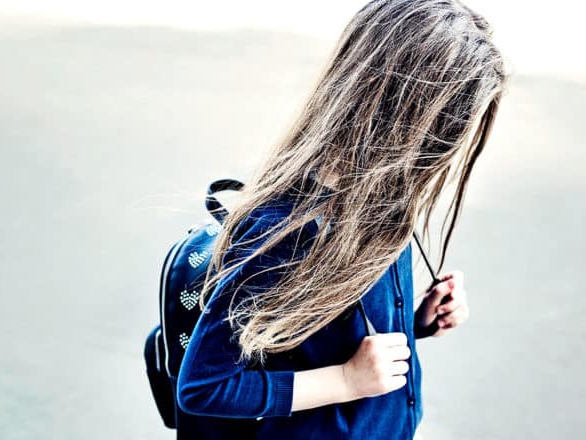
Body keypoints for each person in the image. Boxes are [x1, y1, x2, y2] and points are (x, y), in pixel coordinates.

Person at [174, 0, 507, 438]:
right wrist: (346, 380)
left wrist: (415, 322)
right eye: (449, 130)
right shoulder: (284, 230)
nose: (447, 151)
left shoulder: (386, 201)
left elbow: (325, 331)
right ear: (410, 120)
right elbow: (204, 387)